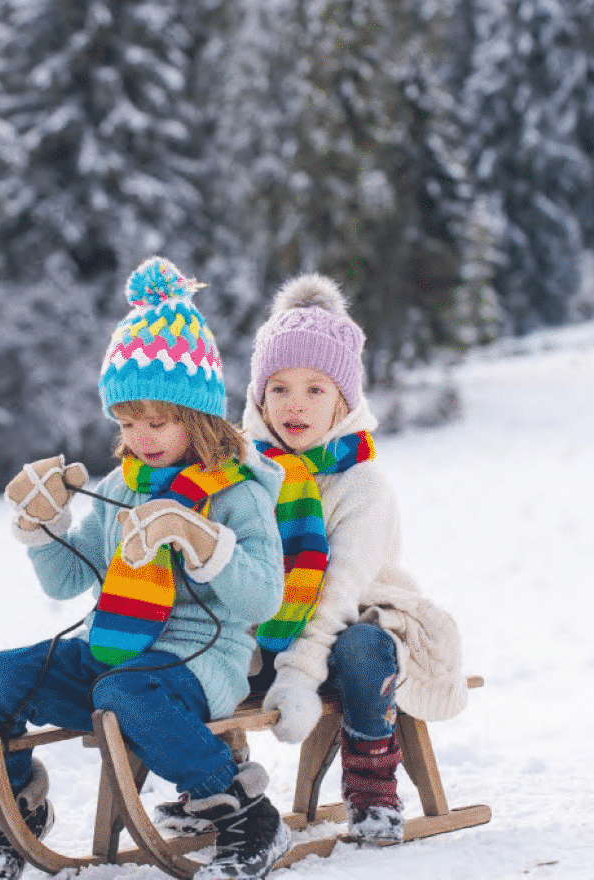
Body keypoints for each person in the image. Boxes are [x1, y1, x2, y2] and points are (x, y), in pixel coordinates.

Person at [0, 257, 292, 880]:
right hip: (113, 651)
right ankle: (18, 815)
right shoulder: (124, 485)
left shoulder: (238, 493)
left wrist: (203, 540)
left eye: (158, 421)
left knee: (125, 692)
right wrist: (43, 527)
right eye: (128, 422)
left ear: (198, 414)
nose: (142, 437)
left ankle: (250, 818)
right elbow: (67, 581)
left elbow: (263, 600)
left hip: (200, 661)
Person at [157, 272, 470, 846]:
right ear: (257, 395)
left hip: (349, 616)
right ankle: (215, 788)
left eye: (315, 390)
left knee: (363, 654)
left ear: (344, 400)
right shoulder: (243, 472)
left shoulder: (361, 484)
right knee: (207, 645)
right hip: (265, 621)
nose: (294, 406)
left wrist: (301, 674)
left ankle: (372, 789)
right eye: (279, 389)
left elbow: (337, 592)